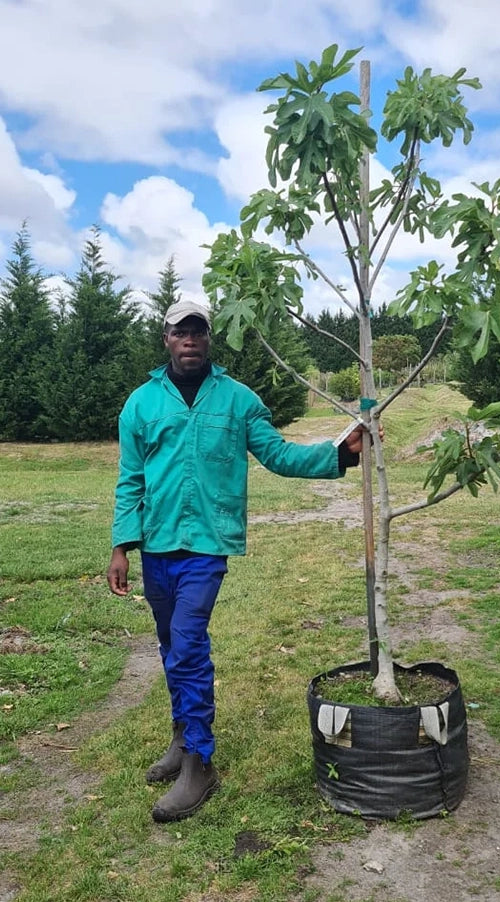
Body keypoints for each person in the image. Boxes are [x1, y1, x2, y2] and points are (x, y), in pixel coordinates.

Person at [107, 299, 372, 823]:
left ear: (209, 340)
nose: (189, 340)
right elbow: (130, 479)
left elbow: (279, 456)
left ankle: (201, 762)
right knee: (170, 648)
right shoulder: (140, 403)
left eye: (197, 331)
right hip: (157, 547)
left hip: (206, 547)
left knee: (186, 645)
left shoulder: (238, 401)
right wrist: (121, 546)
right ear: (165, 339)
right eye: (179, 332)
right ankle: (182, 740)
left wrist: (342, 452)